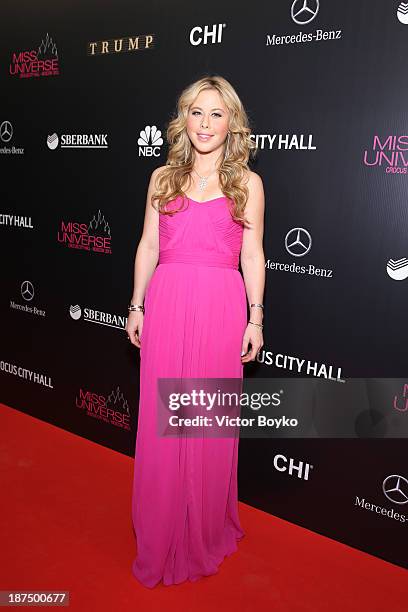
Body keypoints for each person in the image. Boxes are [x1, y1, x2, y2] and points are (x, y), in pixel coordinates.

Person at [126, 75, 265, 588]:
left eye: (217, 114)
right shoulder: (161, 177)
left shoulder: (246, 183)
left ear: (233, 123)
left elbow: (252, 253)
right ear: (184, 119)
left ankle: (203, 525)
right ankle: (161, 526)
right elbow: (147, 246)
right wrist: (136, 305)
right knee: (165, 421)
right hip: (166, 303)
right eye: (197, 113)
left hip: (220, 308)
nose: (206, 124)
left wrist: (255, 316)